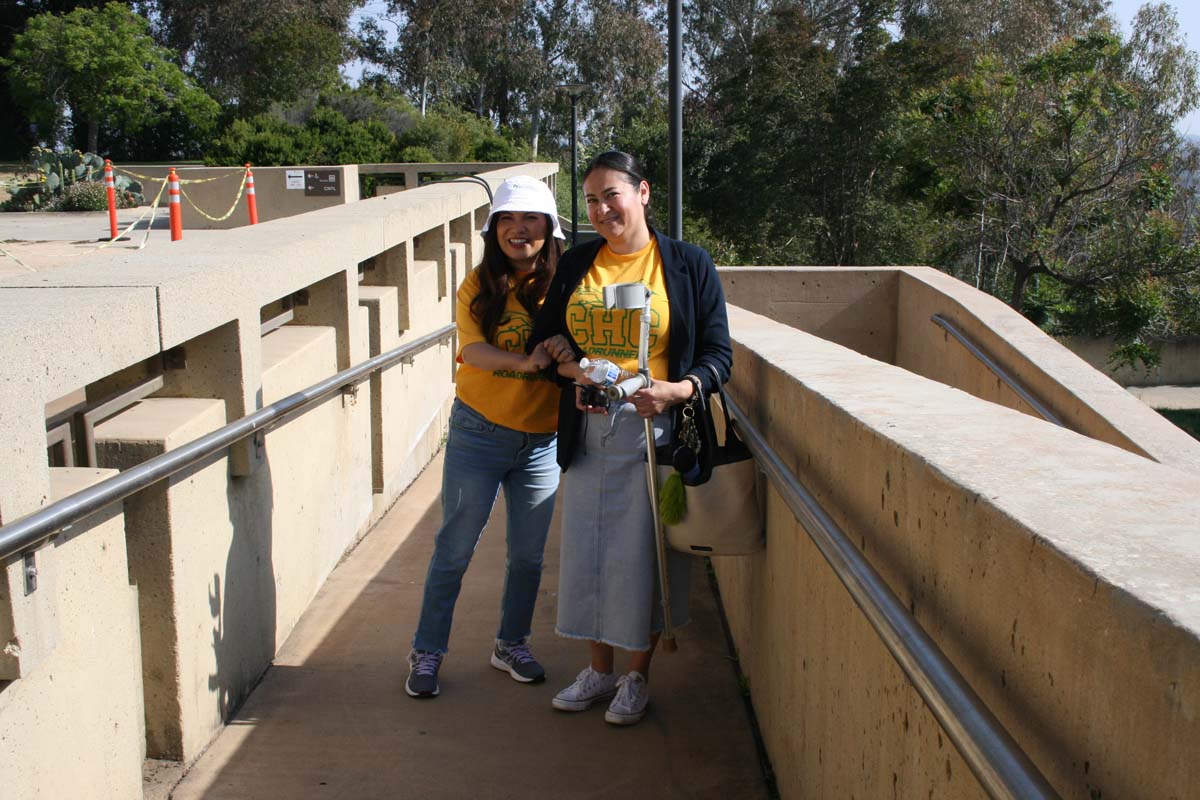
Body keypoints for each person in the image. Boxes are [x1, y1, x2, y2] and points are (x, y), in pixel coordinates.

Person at [530, 151, 733, 725]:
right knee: (590, 554)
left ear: (642, 192)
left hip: (655, 432)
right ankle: (598, 670)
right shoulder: (576, 265)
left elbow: (721, 356)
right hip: (590, 430)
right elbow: (547, 347)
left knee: (643, 559)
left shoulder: (687, 264)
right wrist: (571, 369)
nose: (599, 209)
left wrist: (677, 390)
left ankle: (636, 676)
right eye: (590, 200)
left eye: (610, 195)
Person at [406, 175, 565, 699]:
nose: (519, 230)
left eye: (531, 219)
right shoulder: (478, 284)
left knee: (528, 557)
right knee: (454, 548)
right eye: (508, 220)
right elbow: (472, 352)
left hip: (542, 440)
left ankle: (511, 643)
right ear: (494, 228)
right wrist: (527, 360)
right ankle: (428, 651)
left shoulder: (568, 284)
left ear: (549, 226)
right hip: (479, 433)